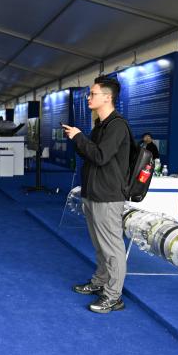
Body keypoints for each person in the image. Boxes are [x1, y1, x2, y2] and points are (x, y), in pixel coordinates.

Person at [62, 76, 131, 314]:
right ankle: (100, 281)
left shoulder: (117, 126)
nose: (89, 97)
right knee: (100, 245)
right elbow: (93, 155)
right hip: (93, 193)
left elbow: (101, 156)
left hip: (108, 196)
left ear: (107, 97)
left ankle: (113, 296)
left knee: (112, 247)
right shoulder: (101, 125)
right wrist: (79, 139)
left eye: (93, 94)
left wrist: (79, 137)